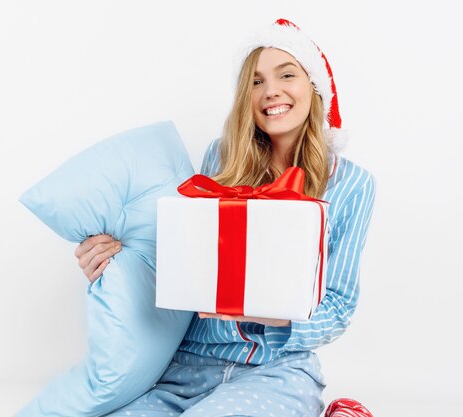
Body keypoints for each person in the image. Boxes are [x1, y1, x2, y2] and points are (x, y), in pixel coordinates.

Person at [75, 18, 376, 417]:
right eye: (255, 81)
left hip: (275, 371)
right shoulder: (220, 158)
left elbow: (338, 306)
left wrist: (269, 313)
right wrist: (115, 263)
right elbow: (183, 263)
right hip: (186, 369)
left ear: (314, 86)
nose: (270, 91)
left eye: (286, 74)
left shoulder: (353, 184)